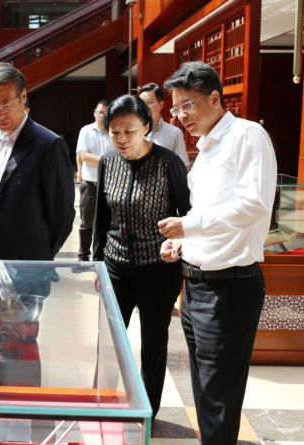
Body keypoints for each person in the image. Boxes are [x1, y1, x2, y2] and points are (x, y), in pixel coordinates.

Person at [159, 62, 277, 444]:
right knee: (206, 390)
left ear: (214, 98)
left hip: (229, 287)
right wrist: (183, 242)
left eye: (187, 105)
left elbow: (254, 206)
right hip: (196, 285)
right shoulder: (207, 144)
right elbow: (210, 212)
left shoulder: (247, 135)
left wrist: (189, 226)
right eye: (176, 108)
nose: (181, 116)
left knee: (218, 394)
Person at [92, 95, 190, 418]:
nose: (121, 139)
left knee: (153, 344)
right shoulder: (108, 162)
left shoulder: (167, 162)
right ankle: (102, 405)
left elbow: (188, 215)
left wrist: (179, 247)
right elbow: (101, 219)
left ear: (146, 127)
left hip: (158, 272)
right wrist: (96, 264)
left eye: (129, 131)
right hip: (116, 268)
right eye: (114, 132)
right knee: (108, 341)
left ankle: (147, 412)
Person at [0, 62, 75, 261]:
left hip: (23, 253)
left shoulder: (49, 144)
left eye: (6, 105)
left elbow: (62, 217)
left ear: (23, 97)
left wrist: (39, 253)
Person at [76, 98, 113, 261]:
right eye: (100, 112)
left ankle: (102, 257)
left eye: (106, 112)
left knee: (108, 223)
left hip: (111, 184)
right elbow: (83, 155)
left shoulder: (114, 131)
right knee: (86, 223)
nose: (102, 115)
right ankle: (83, 256)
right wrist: (109, 161)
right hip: (90, 184)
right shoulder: (86, 131)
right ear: (94, 113)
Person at [139, 83, 191, 171]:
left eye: (149, 102)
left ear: (161, 105)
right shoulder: (133, 132)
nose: (144, 107)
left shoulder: (174, 133)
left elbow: (183, 168)